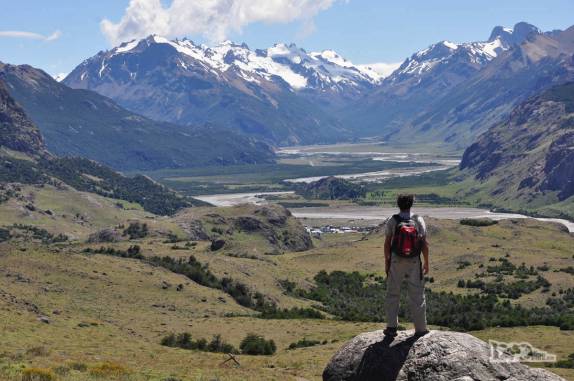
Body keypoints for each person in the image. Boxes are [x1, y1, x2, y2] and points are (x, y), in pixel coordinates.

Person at [383, 194, 429, 338]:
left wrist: (387, 261)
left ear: (398, 204)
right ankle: (421, 329)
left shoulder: (393, 220)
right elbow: (424, 243)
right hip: (414, 260)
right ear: (411, 204)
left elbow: (387, 243)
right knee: (417, 295)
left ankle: (391, 328)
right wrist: (426, 261)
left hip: (396, 260)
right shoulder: (418, 220)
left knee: (393, 293)